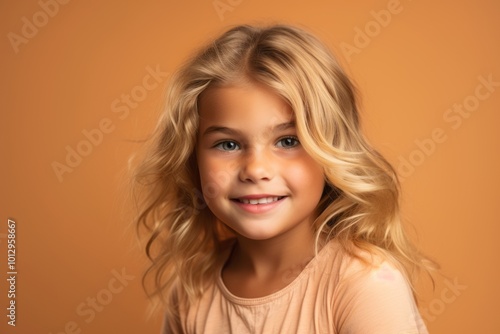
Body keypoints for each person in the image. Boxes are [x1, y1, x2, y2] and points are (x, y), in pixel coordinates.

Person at [131, 24, 436, 333]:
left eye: (288, 141)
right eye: (228, 144)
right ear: (191, 158)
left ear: (331, 152)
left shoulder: (366, 285)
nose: (255, 169)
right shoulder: (191, 291)